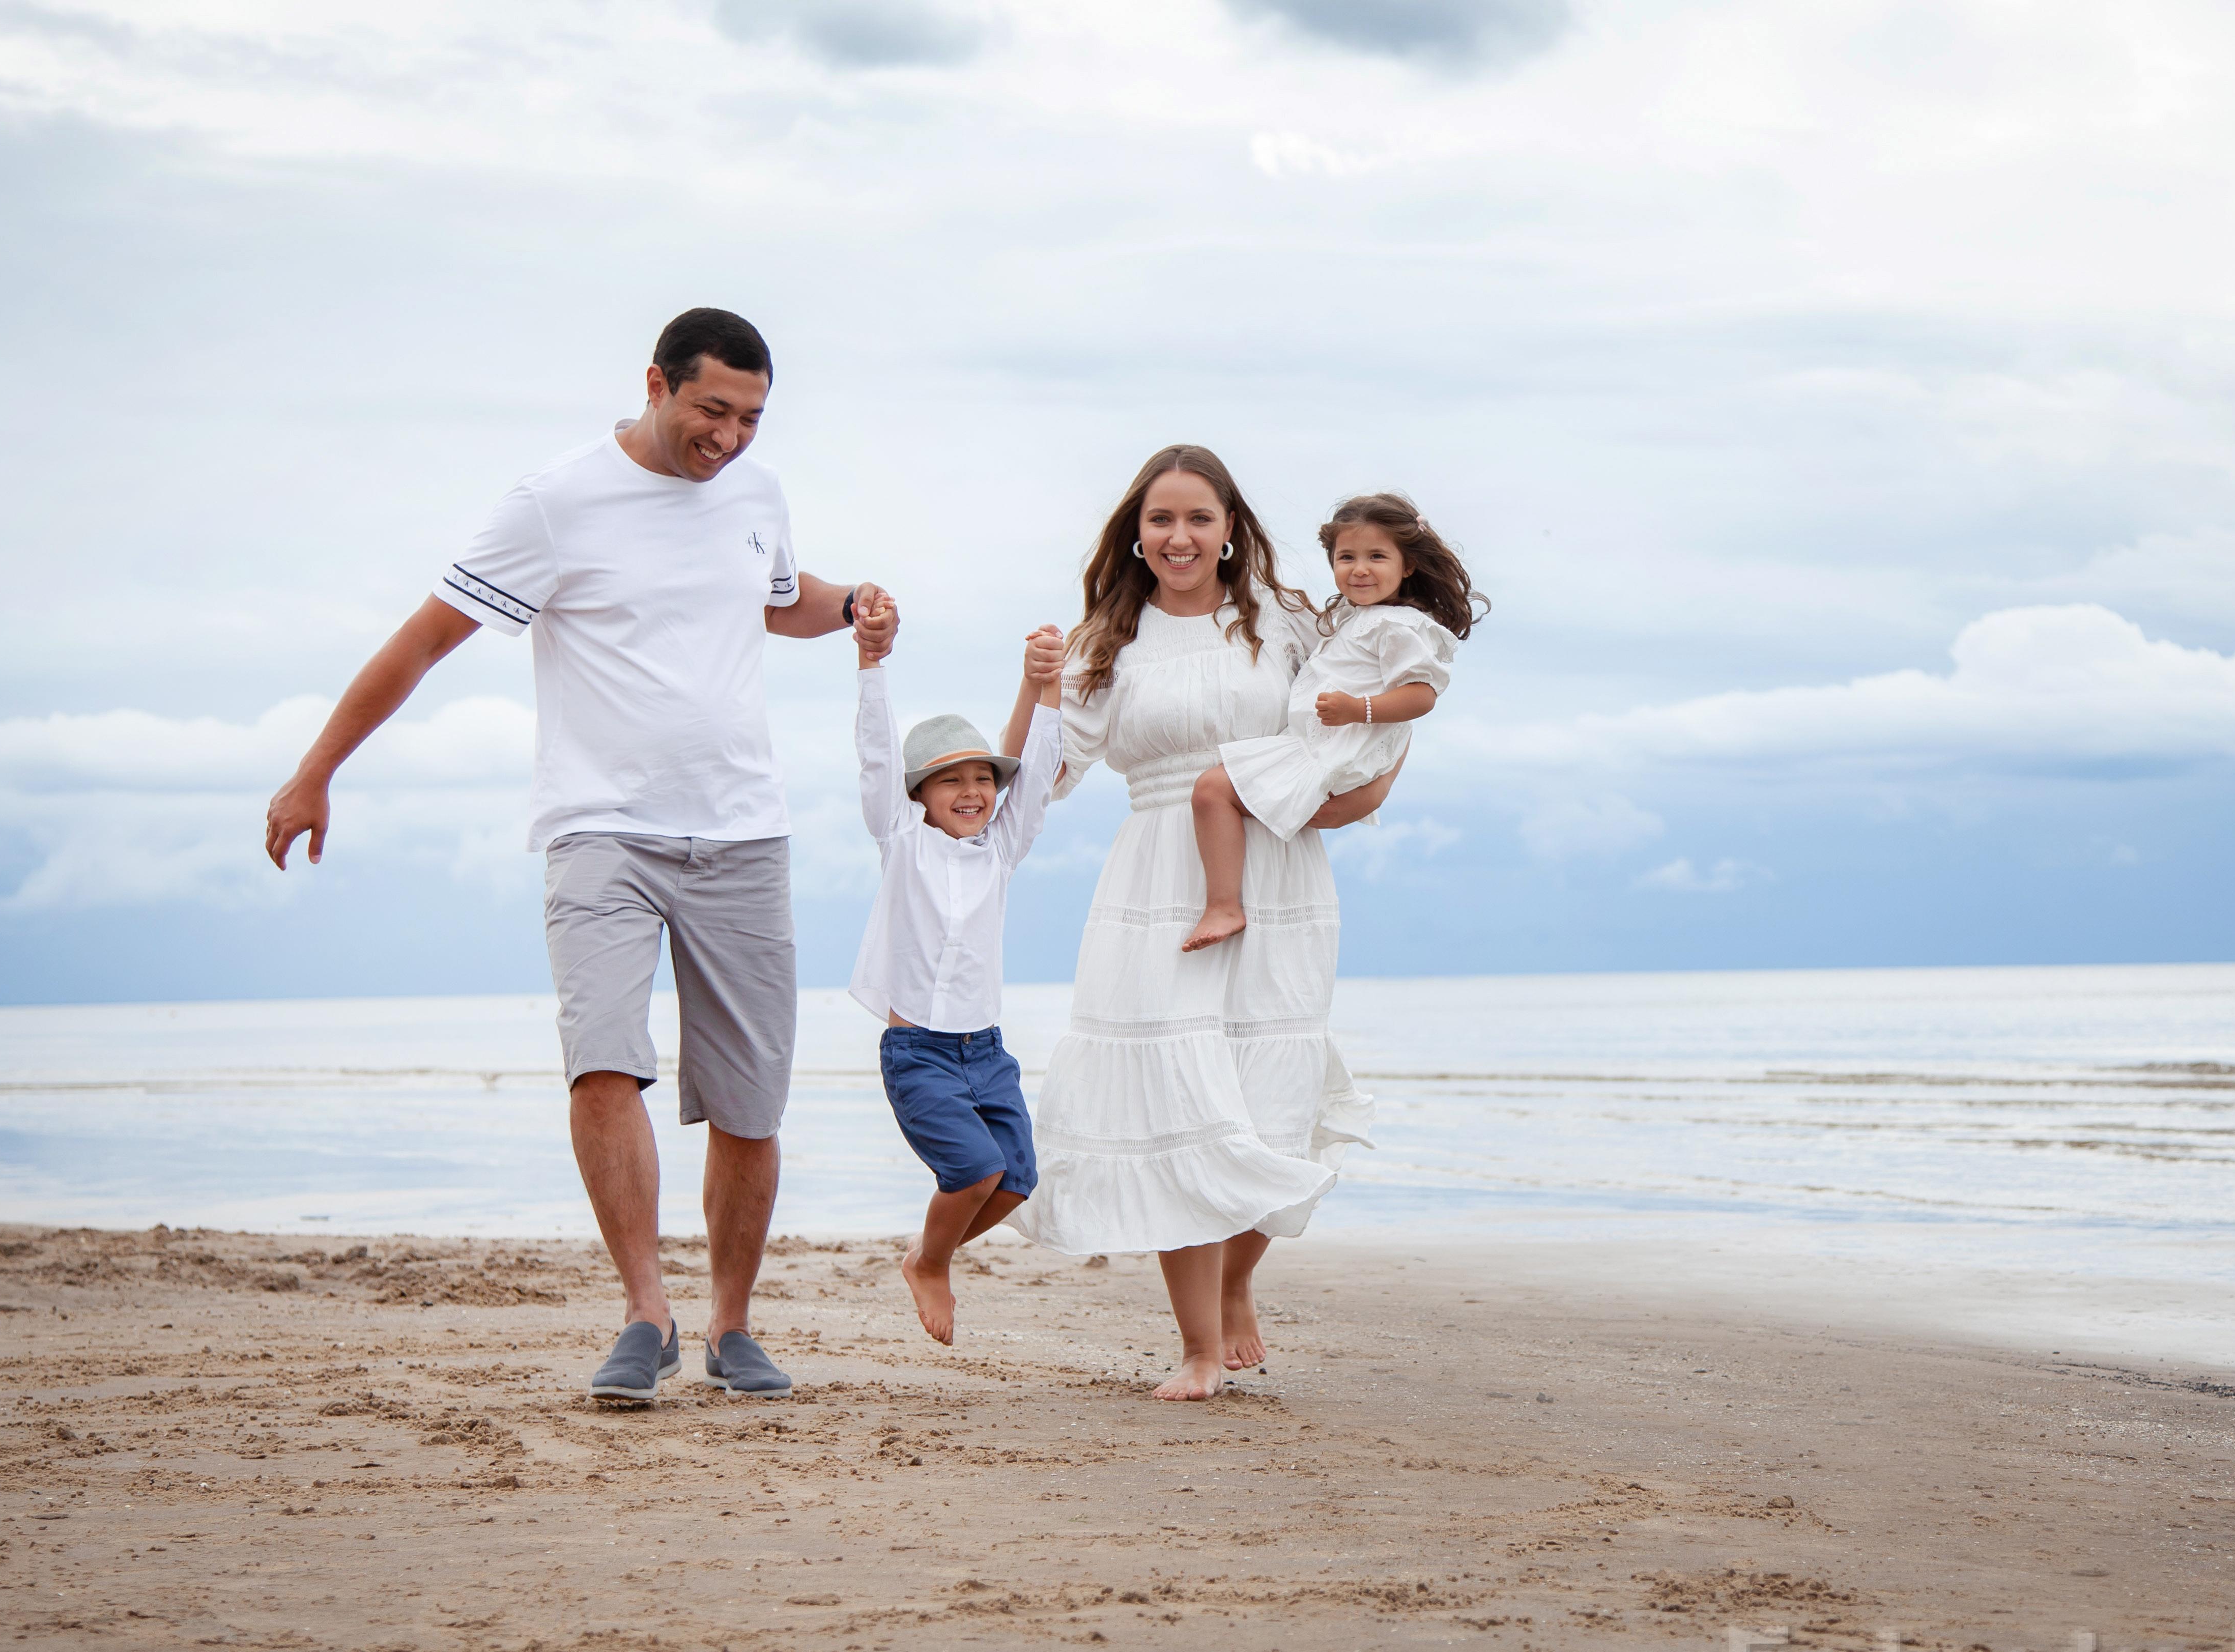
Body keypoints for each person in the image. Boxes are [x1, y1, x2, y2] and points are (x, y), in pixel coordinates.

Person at [262, 307, 891, 1405]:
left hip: (744, 832)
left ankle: (731, 1328)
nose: (730, 439)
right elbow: (424, 639)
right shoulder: (555, 502)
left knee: (749, 1103)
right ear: (655, 383)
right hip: (599, 829)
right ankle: (645, 1316)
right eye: (711, 411)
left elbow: (779, 603)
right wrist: (315, 771)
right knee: (606, 1061)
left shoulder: (758, 493)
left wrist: (859, 606)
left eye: (750, 417)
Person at [999, 445, 1395, 1401]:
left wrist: (1359, 793)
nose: (1178, 536)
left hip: (1279, 867)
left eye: (1198, 519)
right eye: (1161, 519)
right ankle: (1198, 1347)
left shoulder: (1287, 623)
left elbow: (1366, 728)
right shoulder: (1108, 639)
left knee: (1274, 1098)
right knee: (1178, 1104)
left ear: (1230, 530)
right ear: (1136, 534)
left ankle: (1237, 1279)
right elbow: (1033, 779)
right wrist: (1033, 686)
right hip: (1155, 881)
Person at [848, 601, 1067, 1346]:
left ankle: (927, 1254)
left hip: (987, 1053)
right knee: (972, 1170)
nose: (972, 791)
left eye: (982, 778)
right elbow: (878, 756)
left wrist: (1052, 687)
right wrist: (870, 663)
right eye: (951, 781)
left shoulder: (1000, 853)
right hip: (922, 1057)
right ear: (920, 797)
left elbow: (1035, 778)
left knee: (1014, 1180)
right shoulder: (902, 842)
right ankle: (933, 1263)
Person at [1181, 494, 1484, 951]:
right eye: (1347, 557)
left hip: (1328, 752)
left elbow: (1422, 696)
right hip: (1315, 745)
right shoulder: (1350, 617)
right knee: (1214, 794)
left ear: (1408, 566)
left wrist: (1356, 709)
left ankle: (1225, 905)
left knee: (1211, 791)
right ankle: (1234, 903)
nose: (1360, 569)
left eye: (1377, 557)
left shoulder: (1399, 626)